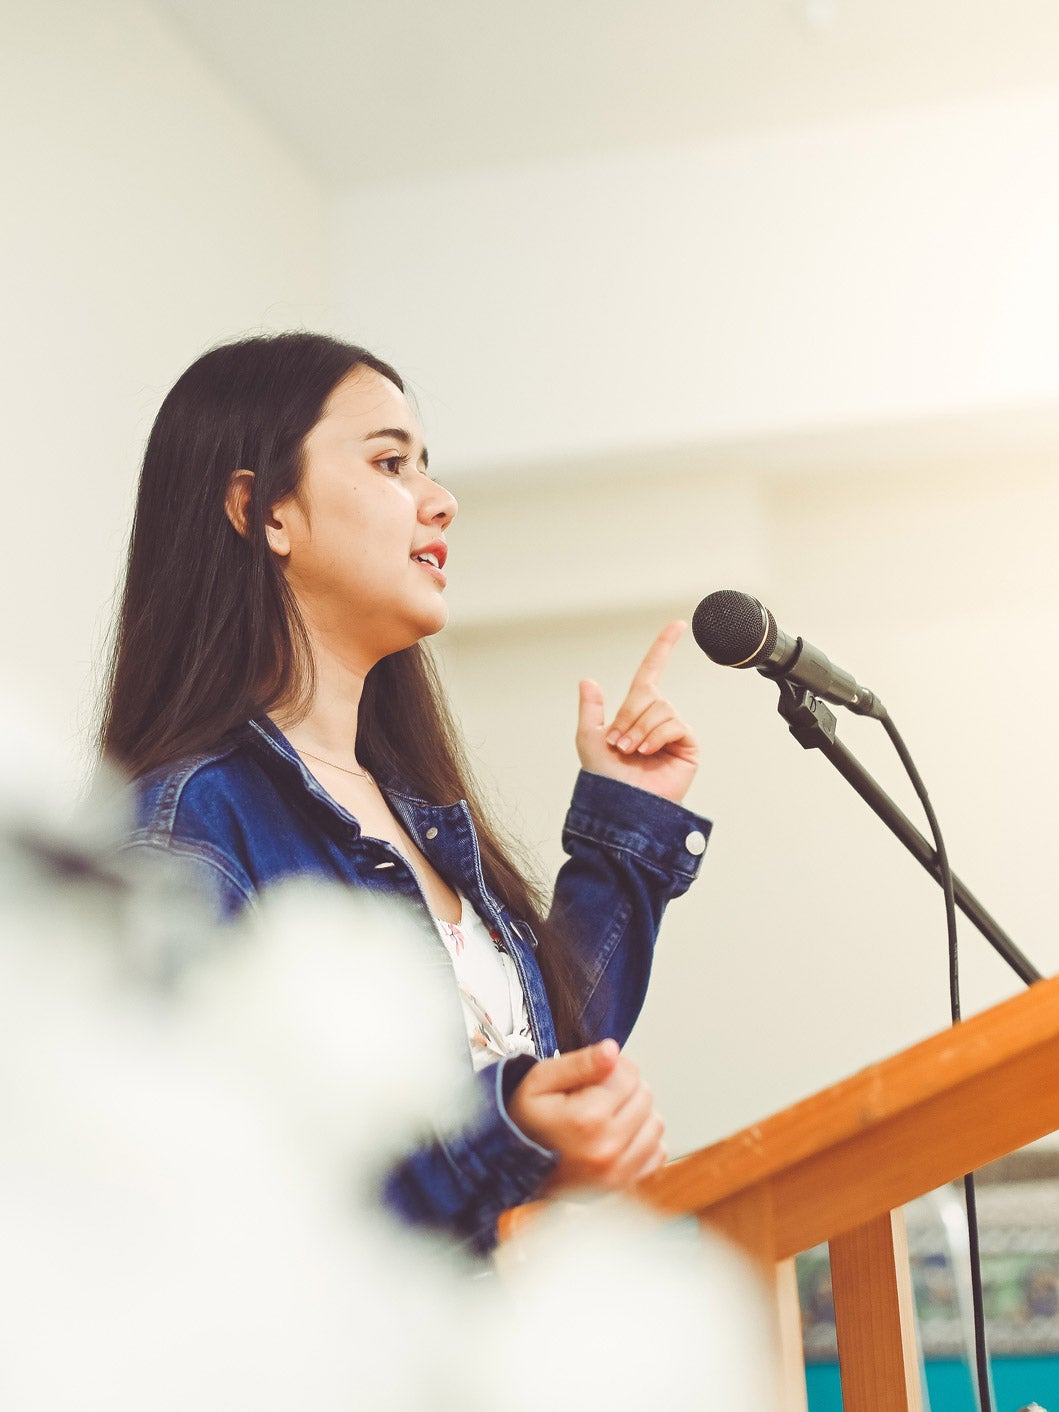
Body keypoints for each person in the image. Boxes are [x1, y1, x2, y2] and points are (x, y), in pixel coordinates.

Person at [101, 331, 712, 1254]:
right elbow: (210, 1196)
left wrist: (626, 823)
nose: (441, 500)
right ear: (263, 509)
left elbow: (542, 1061)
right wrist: (502, 1138)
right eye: (391, 462)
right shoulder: (189, 826)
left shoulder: (412, 810)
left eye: (426, 465)